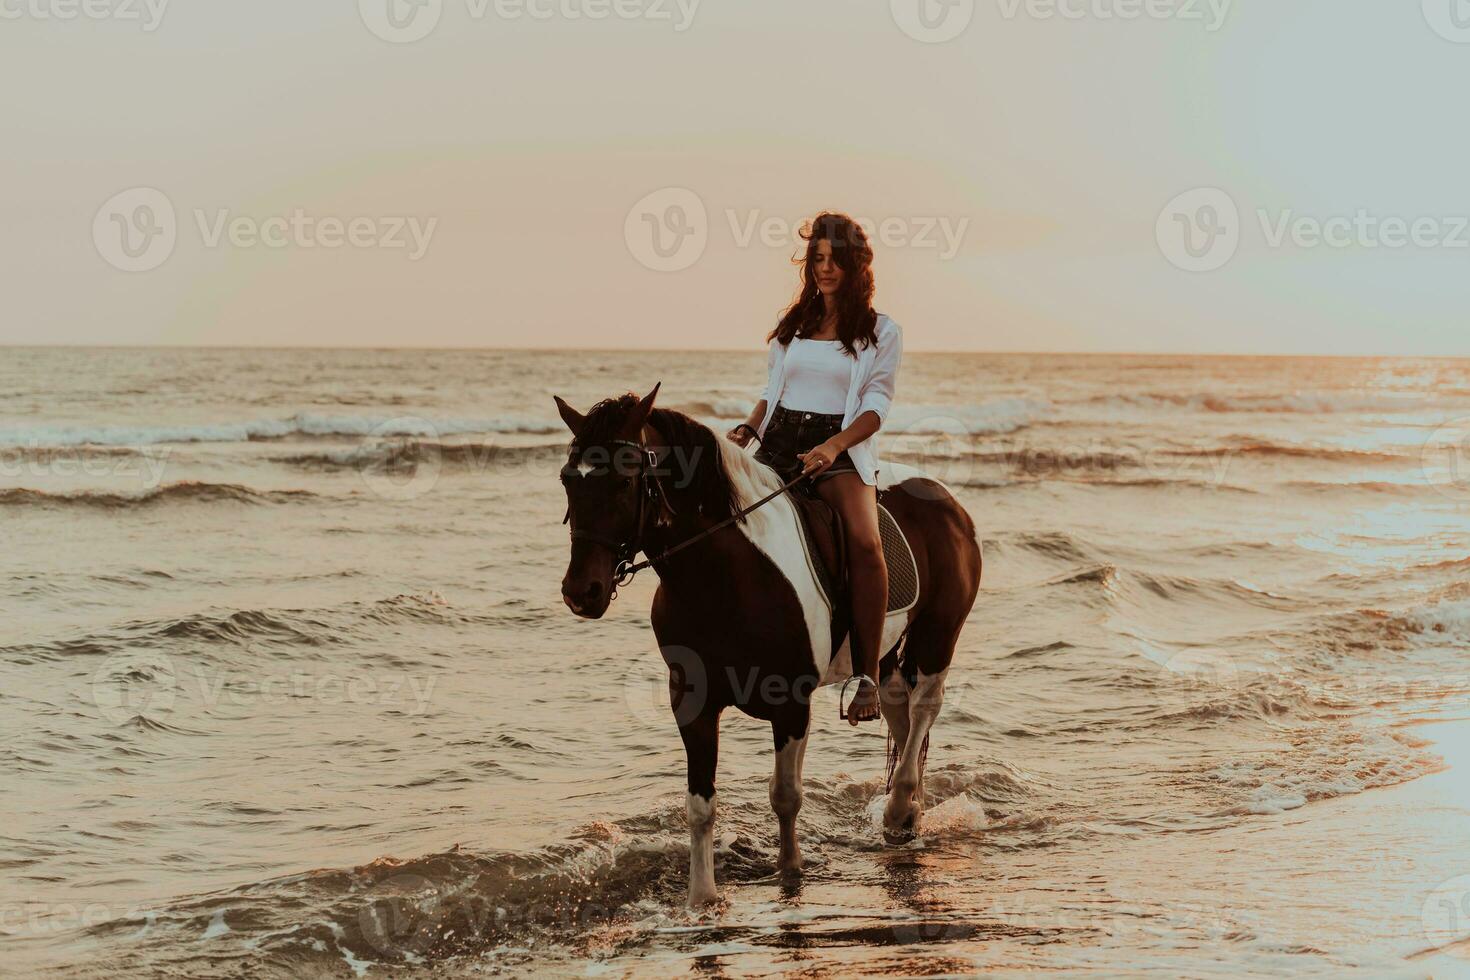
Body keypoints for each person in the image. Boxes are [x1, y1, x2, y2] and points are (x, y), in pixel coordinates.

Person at [726, 212, 903, 725]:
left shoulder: (879, 331)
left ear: (855, 265)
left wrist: (834, 446)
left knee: (866, 543)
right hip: (779, 440)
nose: (824, 269)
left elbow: (876, 406)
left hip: (840, 449)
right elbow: (771, 391)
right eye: (817, 260)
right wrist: (750, 428)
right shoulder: (792, 327)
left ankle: (866, 676)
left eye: (834, 260)